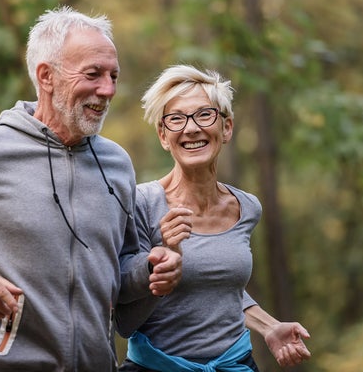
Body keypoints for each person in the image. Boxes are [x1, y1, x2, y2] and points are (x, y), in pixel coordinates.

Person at [0, 6, 182, 372]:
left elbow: (119, 272)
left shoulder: (117, 164)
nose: (107, 90)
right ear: (46, 76)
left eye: (113, 76)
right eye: (93, 74)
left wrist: (150, 269)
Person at [114, 65, 311, 371]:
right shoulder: (139, 203)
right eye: (176, 119)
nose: (191, 128)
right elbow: (125, 319)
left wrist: (269, 326)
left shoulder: (247, 207)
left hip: (236, 364)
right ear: (164, 136)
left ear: (227, 127)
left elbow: (220, 287)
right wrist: (166, 258)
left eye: (204, 114)